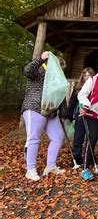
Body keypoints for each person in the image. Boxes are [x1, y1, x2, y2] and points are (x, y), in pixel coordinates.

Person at [21, 51, 67, 181]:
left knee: (58, 136)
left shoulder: (58, 78)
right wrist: (41, 58)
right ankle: (30, 170)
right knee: (34, 138)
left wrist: (63, 114)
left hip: (50, 112)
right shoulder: (39, 71)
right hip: (34, 108)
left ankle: (51, 166)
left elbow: (61, 97)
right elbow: (28, 71)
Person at [66, 67, 95, 166]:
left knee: (91, 137)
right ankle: (76, 156)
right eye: (85, 75)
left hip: (92, 115)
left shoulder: (94, 86)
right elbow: (72, 103)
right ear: (82, 76)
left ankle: (89, 156)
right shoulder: (78, 88)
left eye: (89, 75)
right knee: (78, 137)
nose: (87, 77)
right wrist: (69, 115)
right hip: (80, 115)